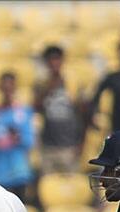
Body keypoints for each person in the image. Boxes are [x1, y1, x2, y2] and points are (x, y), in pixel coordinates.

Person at [34, 45, 83, 175]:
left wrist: (80, 143)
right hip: (48, 146)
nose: (54, 63)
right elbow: (35, 108)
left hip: (69, 145)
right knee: (48, 186)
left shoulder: (73, 83)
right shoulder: (41, 84)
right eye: (50, 59)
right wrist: (49, 87)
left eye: (57, 59)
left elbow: (82, 113)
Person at [0, 72, 35, 202]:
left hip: (19, 170)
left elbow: (30, 141)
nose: (7, 90)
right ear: (0, 88)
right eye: (4, 87)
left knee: (19, 211)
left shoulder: (23, 112)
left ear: (15, 88)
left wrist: (17, 137)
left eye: (10, 87)